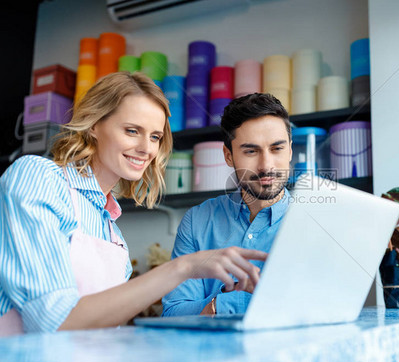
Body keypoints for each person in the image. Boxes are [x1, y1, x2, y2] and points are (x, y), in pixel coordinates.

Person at [0, 72, 266, 335]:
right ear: (94, 124)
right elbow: (53, 323)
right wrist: (182, 268)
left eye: (154, 137)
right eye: (132, 131)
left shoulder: (113, 235)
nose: (146, 148)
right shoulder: (39, 177)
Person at [162, 93, 293, 316]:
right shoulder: (197, 222)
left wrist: (220, 304)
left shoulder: (317, 223)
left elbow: (329, 310)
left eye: (276, 148)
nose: (266, 165)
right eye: (251, 151)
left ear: (290, 150)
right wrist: (237, 300)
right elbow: (174, 313)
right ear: (228, 156)